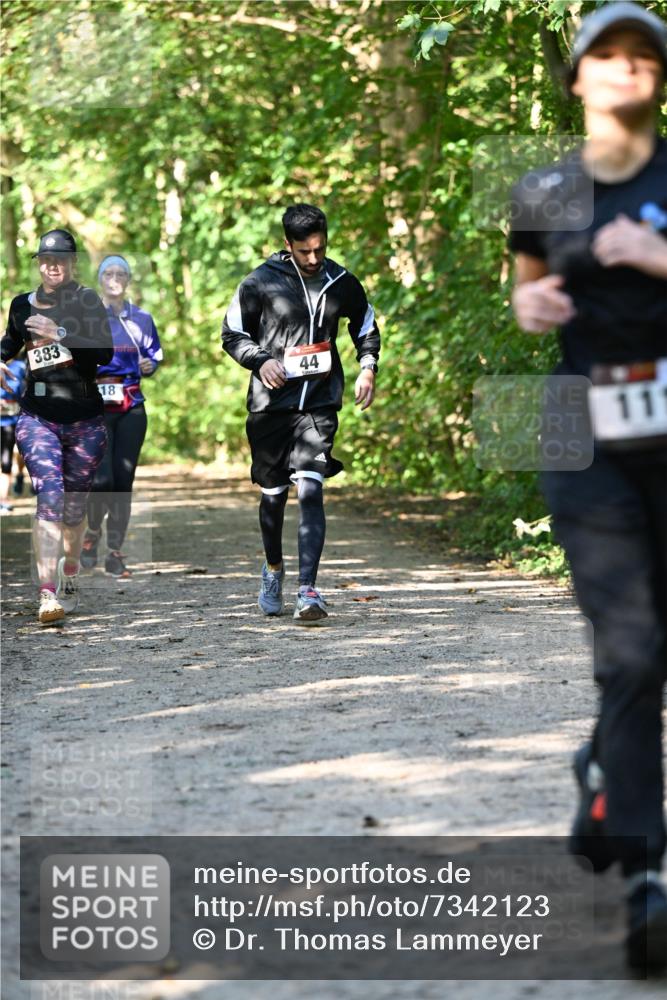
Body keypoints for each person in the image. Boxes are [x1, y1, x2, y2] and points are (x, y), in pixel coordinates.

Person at [509, 2, 667, 970]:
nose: (622, 69)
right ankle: (648, 870)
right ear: (576, 78)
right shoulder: (543, 186)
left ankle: (603, 765)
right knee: (630, 644)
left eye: (641, 57)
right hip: (583, 429)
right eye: (603, 56)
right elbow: (527, 290)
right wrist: (532, 304)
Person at [222, 203, 381, 623]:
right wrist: (260, 360)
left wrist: (368, 367)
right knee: (273, 499)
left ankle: (308, 590)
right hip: (271, 408)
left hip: (320, 404)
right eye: (305, 251)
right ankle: (273, 567)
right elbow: (232, 333)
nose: (314, 258)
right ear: (287, 244)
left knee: (312, 487)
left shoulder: (340, 280)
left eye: (320, 249)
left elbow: (364, 323)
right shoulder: (259, 283)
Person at [0, 229, 113, 624]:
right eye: (46, 260)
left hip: (84, 417)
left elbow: (105, 352)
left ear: (72, 263)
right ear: (39, 263)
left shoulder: (87, 301)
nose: (52, 266)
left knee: (74, 508)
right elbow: (9, 342)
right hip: (38, 416)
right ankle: (47, 595)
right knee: (49, 497)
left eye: (60, 260)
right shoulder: (21, 305)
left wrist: (60, 333)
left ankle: (70, 569)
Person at [80, 255, 163, 577]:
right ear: (100, 278)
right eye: (108, 273)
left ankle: (115, 552)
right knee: (103, 481)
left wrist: (150, 366)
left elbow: (155, 355)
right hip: (96, 405)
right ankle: (91, 535)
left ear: (128, 280)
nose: (114, 278)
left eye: (121, 273)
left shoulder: (141, 318)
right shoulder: (87, 317)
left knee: (123, 482)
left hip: (131, 405)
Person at [0, 353, 26, 514]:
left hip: (12, 421)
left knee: (10, 458)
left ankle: (20, 475)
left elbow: (25, 391)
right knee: (5, 459)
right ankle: (3, 499)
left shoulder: (20, 367)